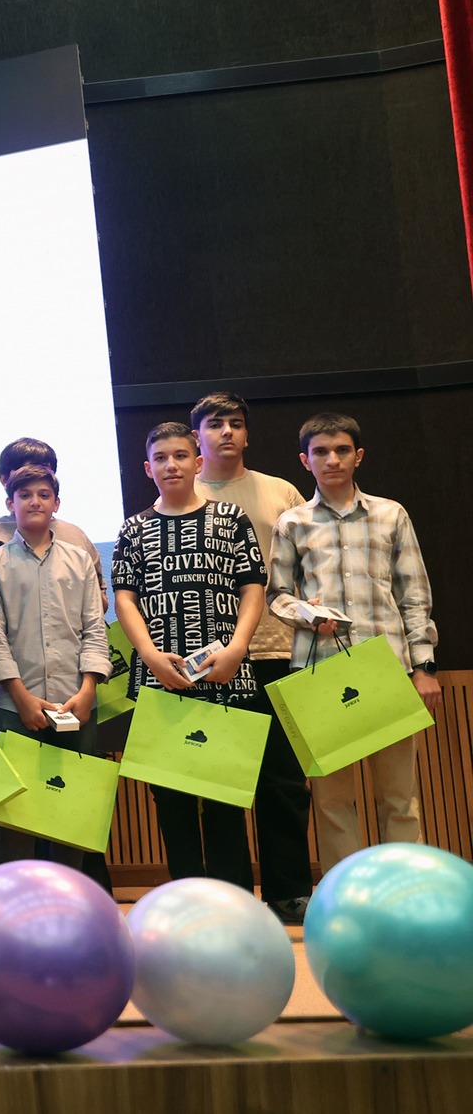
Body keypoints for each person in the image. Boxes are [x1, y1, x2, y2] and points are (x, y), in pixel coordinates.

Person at [268, 412, 439, 866]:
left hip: (390, 668)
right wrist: (308, 615)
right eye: (321, 452)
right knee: (331, 798)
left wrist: (424, 668)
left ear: (358, 456)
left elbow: (414, 596)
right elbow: (277, 595)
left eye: (342, 450)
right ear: (305, 461)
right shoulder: (291, 522)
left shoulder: (391, 514)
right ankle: (347, 894)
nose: (332, 459)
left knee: (399, 795)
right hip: (321, 671)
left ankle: (405, 888)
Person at [110, 422, 266, 892]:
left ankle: (233, 902)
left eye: (180, 455)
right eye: (161, 458)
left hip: (226, 676)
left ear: (198, 462)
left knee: (224, 800)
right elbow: (124, 599)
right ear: (148, 468)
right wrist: (149, 655)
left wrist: (237, 647)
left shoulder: (231, 518)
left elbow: (253, 588)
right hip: (159, 680)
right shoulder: (134, 528)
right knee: (172, 802)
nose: (171, 465)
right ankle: (186, 902)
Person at [190, 392, 313, 922]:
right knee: (220, 782)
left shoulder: (281, 491)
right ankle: (233, 895)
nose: (227, 432)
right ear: (196, 436)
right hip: (212, 663)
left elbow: (307, 567)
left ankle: (289, 891)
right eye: (215, 424)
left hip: (280, 650)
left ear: (247, 433)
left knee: (283, 781)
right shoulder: (183, 491)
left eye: (236, 423)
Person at [0, 465, 109, 872]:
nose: (34, 501)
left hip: (77, 703)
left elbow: (95, 628)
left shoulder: (79, 559)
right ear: (10, 503)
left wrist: (87, 691)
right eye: (25, 495)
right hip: (13, 705)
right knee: (17, 817)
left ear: (56, 503)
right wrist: (21, 698)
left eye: (43, 494)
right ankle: (20, 899)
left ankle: (67, 900)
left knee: (72, 812)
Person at [0, 438, 106, 597]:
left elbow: (100, 598)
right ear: (4, 479)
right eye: (25, 469)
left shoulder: (75, 536)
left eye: (44, 469)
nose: (34, 476)